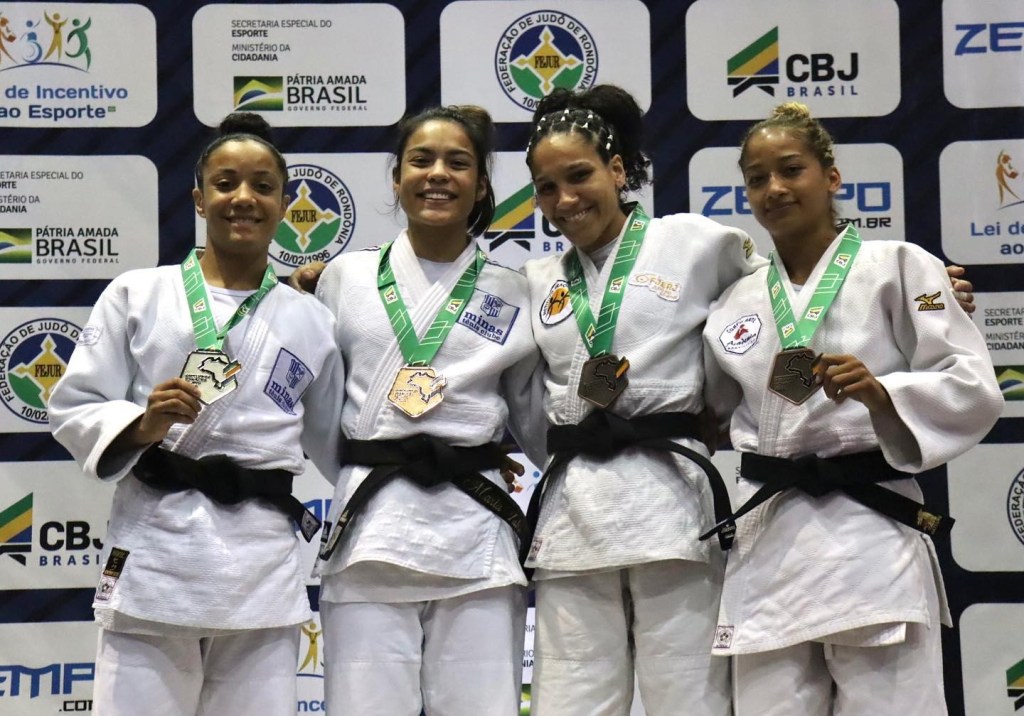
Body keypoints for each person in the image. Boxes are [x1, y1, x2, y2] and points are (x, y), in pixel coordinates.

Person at [700, 102, 1002, 715]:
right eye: (757, 179)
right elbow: (710, 412)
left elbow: (972, 383)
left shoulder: (900, 266)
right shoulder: (734, 301)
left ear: (831, 177)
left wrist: (884, 392)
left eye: (791, 170)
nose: (773, 189)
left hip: (869, 533)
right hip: (770, 539)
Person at [48, 113, 346, 716]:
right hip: (156, 551)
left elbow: (337, 438)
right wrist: (142, 425)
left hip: (260, 561)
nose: (244, 197)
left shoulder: (312, 318)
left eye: (263, 186)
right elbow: (75, 402)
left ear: (284, 204)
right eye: (226, 183)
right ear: (199, 199)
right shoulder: (138, 293)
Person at [519, 84, 763, 716]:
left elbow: (785, 300)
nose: (565, 200)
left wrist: (914, 288)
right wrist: (318, 277)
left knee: (689, 697)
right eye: (546, 188)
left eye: (580, 176)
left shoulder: (695, 242)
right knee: (569, 701)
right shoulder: (539, 279)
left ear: (618, 169)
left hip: (673, 506)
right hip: (574, 511)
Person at [306, 105, 542, 716]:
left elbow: (534, 417)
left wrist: (478, 453)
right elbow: (321, 411)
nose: (438, 174)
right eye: (421, 160)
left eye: (458, 163)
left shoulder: (513, 290)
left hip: (477, 534)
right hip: (371, 532)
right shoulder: (344, 278)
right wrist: (368, 465)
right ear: (396, 178)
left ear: (481, 186)